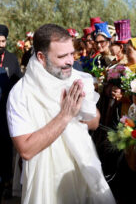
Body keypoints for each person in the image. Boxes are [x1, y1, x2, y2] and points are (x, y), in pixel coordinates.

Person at [6, 24, 115, 204]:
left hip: (83, 176)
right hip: (47, 185)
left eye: (71, 53)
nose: (70, 61)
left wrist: (80, 112)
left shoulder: (77, 79)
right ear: (41, 57)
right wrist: (65, 116)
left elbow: (95, 122)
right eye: (62, 56)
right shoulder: (21, 94)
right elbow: (26, 150)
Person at [0, 24, 22, 199]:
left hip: (5, 110)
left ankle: (6, 183)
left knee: (5, 147)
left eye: (3, 41)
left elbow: (18, 82)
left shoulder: (12, 58)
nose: (0, 44)